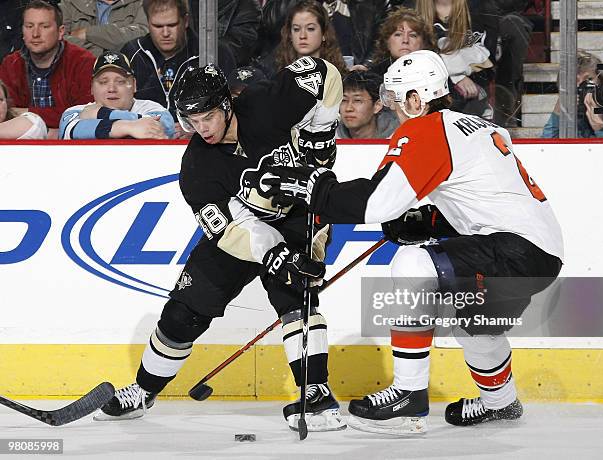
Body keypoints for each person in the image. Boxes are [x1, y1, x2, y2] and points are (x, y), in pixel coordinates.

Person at [255, 50, 563, 435]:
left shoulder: (426, 129)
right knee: (476, 326)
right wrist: (428, 221)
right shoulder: (477, 126)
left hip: (515, 248)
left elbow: (375, 203)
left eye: (397, 100)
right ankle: (501, 405)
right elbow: (490, 201)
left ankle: (409, 397)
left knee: (412, 264)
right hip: (540, 251)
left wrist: (311, 187)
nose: (394, 109)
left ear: (417, 99)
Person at [95, 57, 346, 433]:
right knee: (183, 313)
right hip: (244, 232)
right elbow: (231, 227)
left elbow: (323, 72)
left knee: (296, 297)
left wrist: (321, 132)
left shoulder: (266, 103)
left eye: (207, 117)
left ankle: (317, 396)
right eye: (191, 121)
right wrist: (271, 253)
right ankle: (143, 391)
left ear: (227, 105)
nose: (202, 129)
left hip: (299, 215)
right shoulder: (197, 167)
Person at [0, 0, 96, 135]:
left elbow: (85, 114)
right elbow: (6, 114)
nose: (35, 34)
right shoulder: (10, 64)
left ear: (61, 31)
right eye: (29, 26)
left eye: (44, 26)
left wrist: (29, 113)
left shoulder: (83, 62)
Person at [120, 0, 198, 139]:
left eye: (172, 25)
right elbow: (114, 105)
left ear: (185, 21)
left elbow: (229, 109)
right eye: (157, 26)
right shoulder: (131, 53)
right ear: (148, 22)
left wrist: (197, 128)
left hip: (199, 146)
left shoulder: (210, 53)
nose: (165, 33)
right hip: (140, 145)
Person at [58, 50, 174, 139]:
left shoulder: (152, 108)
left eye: (120, 82)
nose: (112, 89)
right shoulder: (74, 112)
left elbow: (164, 126)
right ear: (92, 87)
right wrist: (129, 127)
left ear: (134, 85)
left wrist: (100, 114)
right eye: (103, 82)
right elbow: (70, 131)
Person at [542, 50, 603, 139]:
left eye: (589, 79)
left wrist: (601, 129)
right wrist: (558, 111)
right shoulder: (566, 115)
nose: (580, 86)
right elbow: (545, 147)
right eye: (574, 81)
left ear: (600, 82)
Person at [271, 0, 347, 76]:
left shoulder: (337, 74)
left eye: (310, 29)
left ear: (324, 33)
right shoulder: (278, 74)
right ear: (290, 35)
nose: (302, 36)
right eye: (296, 29)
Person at [59, 0, 148, 57]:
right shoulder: (69, 4)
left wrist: (88, 33)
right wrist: (103, 52)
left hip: (126, 73)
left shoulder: (140, 3)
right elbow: (60, 39)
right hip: (80, 69)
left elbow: (142, 36)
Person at [365, 7, 436, 77]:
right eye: (398, 34)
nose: (405, 40)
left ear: (424, 43)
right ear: (387, 42)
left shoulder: (436, 73)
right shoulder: (371, 76)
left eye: (412, 35)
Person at [321, 0, 389, 69]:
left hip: (360, 73)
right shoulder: (314, 8)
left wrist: (365, 65)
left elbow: (381, 40)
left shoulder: (374, 5)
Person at [336, 70, 399, 139]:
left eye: (357, 100)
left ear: (377, 105)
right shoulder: (329, 138)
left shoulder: (399, 139)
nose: (348, 108)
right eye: (344, 100)